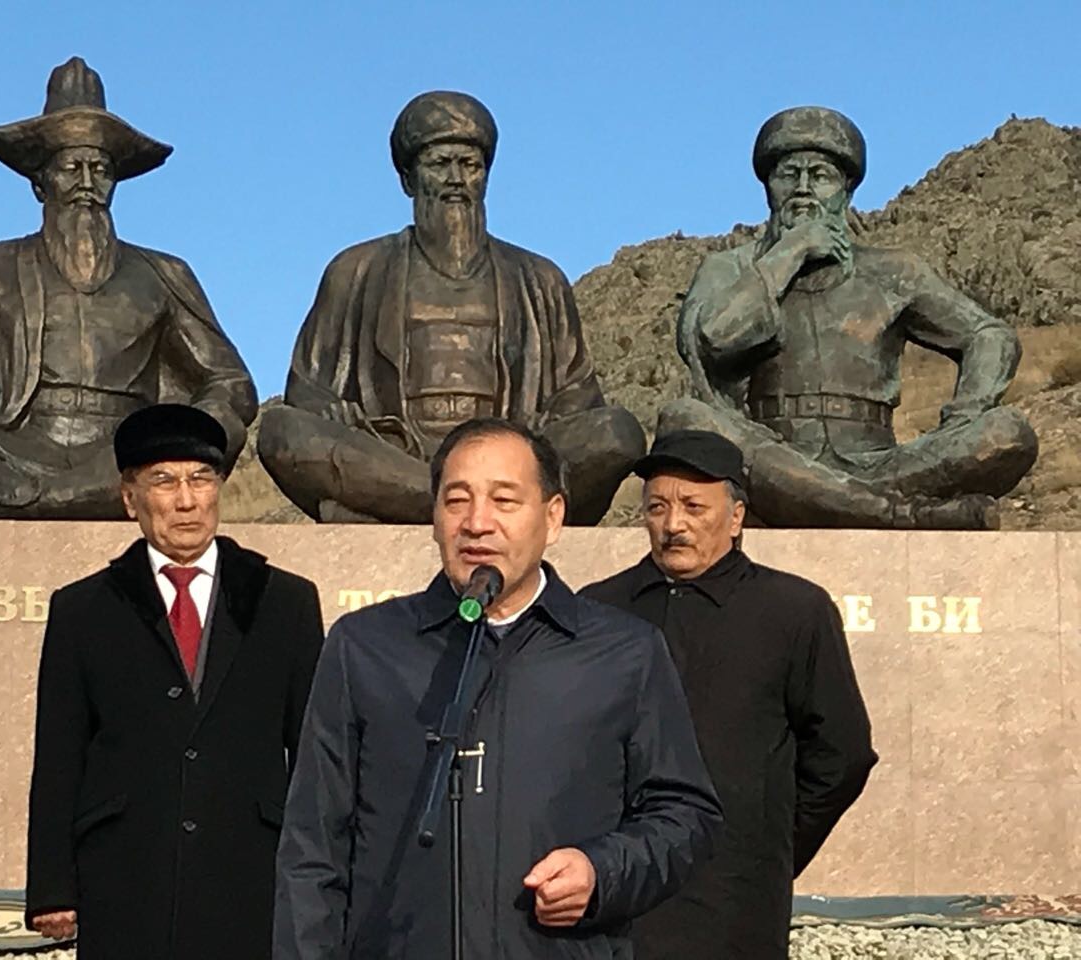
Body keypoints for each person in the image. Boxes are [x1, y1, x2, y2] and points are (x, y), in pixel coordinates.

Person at [274, 417, 721, 959]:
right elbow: (313, 846)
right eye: (456, 501)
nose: (477, 523)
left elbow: (684, 815)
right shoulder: (364, 647)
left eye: (504, 501)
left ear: (552, 517)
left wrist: (601, 872)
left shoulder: (624, 652)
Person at [0, 57, 257, 519]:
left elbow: (230, 381)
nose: (87, 183)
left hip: (123, 447)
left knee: (210, 430)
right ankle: (32, 495)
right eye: (71, 167)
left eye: (100, 169)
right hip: (11, 446)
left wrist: (189, 423)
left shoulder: (165, 272)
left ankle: (19, 502)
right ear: (39, 183)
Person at [257, 91, 645, 525]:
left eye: (470, 165)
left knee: (618, 432)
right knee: (280, 431)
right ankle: (460, 503)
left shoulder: (539, 278)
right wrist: (333, 411)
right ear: (408, 179)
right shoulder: (357, 269)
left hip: (506, 456)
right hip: (395, 453)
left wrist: (550, 420)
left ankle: (429, 502)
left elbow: (580, 393)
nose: (456, 178)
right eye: (440, 164)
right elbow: (305, 389)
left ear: (486, 177)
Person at [25, 403, 324, 959]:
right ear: (130, 499)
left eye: (200, 479)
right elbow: (60, 756)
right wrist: (51, 886)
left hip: (250, 872)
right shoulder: (83, 610)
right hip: (125, 876)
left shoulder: (285, 602)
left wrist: (322, 877)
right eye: (164, 481)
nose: (186, 500)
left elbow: (313, 755)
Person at [662, 106, 1037, 529]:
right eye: (789, 175)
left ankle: (851, 504)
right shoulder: (727, 269)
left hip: (879, 465)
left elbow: (988, 334)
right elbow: (714, 339)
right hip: (769, 459)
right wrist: (789, 253)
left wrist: (964, 416)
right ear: (768, 188)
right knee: (684, 418)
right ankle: (901, 514)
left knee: (1007, 432)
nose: (803, 189)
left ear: (846, 191)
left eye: (820, 176)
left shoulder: (894, 271)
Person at [582, 429, 878, 959]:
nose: (673, 524)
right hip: (618, 891)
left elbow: (843, 754)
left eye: (693, 507)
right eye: (657, 507)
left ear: (736, 516)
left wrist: (770, 847)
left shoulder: (794, 611)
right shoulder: (599, 610)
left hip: (737, 897)